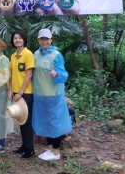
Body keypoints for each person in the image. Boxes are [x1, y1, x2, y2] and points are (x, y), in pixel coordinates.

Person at [32, 28, 72, 161]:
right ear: (38, 40)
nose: (44, 41)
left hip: (53, 95)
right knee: (46, 122)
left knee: (54, 122)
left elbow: (64, 74)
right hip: (40, 94)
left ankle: (56, 152)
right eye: (42, 39)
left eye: (47, 39)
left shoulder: (56, 55)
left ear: (51, 40)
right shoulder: (36, 54)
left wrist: (56, 74)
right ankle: (50, 149)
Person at [8, 31, 35, 159]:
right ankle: (24, 145)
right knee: (20, 120)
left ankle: (30, 149)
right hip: (15, 92)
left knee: (27, 120)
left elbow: (29, 75)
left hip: (26, 92)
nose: (17, 40)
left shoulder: (28, 54)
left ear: (24, 40)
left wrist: (20, 92)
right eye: (15, 38)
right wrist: (10, 91)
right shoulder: (13, 56)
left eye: (19, 38)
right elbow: (11, 74)